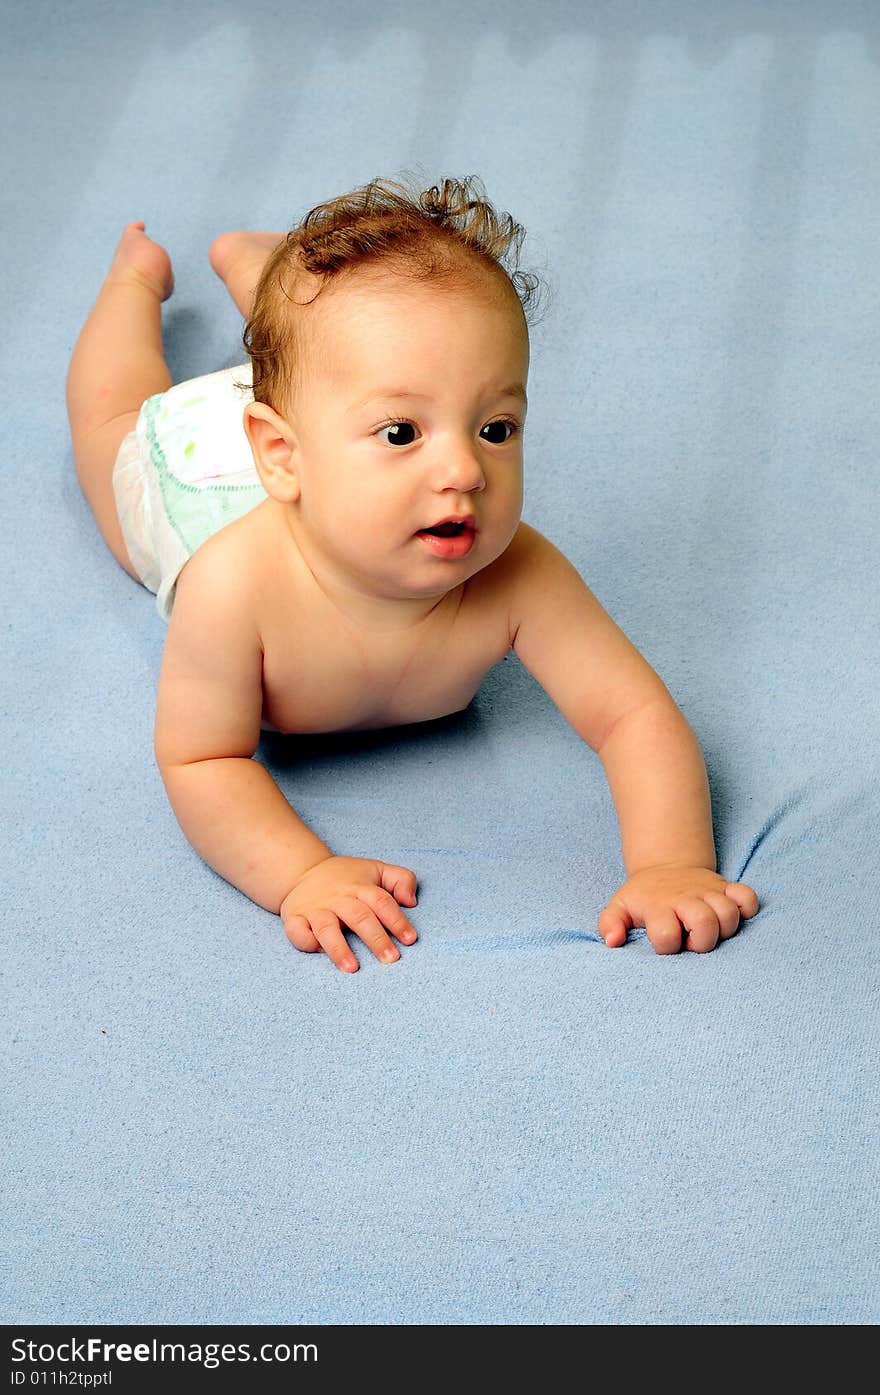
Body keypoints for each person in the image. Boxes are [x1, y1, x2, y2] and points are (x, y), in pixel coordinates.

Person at [66, 174, 759, 973]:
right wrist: (302, 872)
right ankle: (137, 284)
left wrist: (671, 862)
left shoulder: (518, 571)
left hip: (320, 417)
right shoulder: (232, 589)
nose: (465, 468)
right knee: (112, 411)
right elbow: (203, 759)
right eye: (404, 433)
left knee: (332, 348)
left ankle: (276, 281)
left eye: (496, 426)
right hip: (196, 481)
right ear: (282, 456)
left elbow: (632, 714)